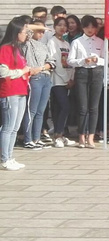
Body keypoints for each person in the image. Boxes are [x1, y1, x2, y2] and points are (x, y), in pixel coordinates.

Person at [67, 15, 105, 148]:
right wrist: (83, 61)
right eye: (87, 27)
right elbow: (70, 60)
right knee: (83, 107)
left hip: (97, 73)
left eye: (92, 27)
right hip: (82, 73)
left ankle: (91, 137)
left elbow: (106, 60)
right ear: (82, 28)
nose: (90, 29)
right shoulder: (77, 42)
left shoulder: (101, 42)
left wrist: (97, 60)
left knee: (94, 107)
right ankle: (81, 136)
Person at [0, 17, 32, 170]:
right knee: (8, 126)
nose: (26, 34)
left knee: (15, 127)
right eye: (24, 31)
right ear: (17, 32)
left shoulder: (17, 48)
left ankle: (10, 156)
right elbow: (3, 72)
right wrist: (22, 71)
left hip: (21, 90)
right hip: (10, 91)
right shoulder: (6, 48)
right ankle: (5, 158)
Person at [22, 20, 56, 149]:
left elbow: (52, 62)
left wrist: (42, 67)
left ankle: (36, 138)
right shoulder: (27, 43)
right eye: (39, 31)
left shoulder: (43, 45)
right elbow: (26, 28)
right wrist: (39, 26)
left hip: (45, 77)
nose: (41, 34)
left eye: (43, 31)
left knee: (40, 111)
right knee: (32, 110)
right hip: (34, 78)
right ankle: (27, 139)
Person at [48, 17, 74, 148]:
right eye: (59, 25)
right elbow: (56, 63)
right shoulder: (52, 42)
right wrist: (65, 78)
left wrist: (71, 78)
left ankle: (60, 134)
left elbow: (70, 62)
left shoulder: (67, 44)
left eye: (64, 25)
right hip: (57, 80)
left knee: (61, 108)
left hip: (67, 80)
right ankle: (57, 135)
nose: (62, 28)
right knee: (64, 106)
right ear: (54, 27)